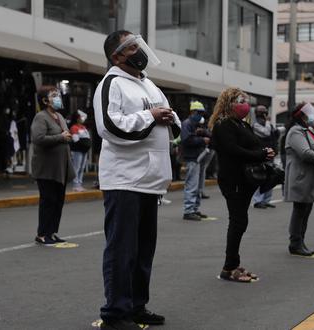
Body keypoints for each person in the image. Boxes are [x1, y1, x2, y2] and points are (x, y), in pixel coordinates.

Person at [94, 30, 181, 330]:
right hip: (124, 180)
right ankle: (115, 314)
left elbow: (170, 119)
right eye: (132, 47)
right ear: (117, 55)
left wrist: (170, 118)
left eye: (138, 45)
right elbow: (109, 126)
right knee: (122, 249)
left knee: (144, 249)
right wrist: (151, 117)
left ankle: (136, 305)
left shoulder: (149, 83)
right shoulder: (111, 83)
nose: (139, 50)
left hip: (150, 180)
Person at [209, 87, 275, 282]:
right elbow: (233, 150)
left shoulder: (242, 124)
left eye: (246, 100)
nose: (245, 105)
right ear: (229, 103)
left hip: (245, 180)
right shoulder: (223, 125)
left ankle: (234, 264)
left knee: (241, 221)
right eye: (240, 100)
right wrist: (260, 154)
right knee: (237, 222)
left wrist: (265, 150)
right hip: (233, 180)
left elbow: (254, 144)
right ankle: (229, 268)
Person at [284, 103, 314, 256]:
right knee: (300, 210)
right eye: (308, 115)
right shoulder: (295, 132)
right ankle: (295, 243)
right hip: (300, 176)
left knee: (306, 209)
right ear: (302, 116)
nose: (312, 118)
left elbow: (313, 149)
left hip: (308, 175)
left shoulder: (306, 131)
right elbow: (305, 153)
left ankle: (300, 241)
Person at [30, 85, 75, 245]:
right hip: (46, 169)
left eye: (57, 94)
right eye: (53, 95)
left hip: (60, 168)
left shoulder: (59, 117)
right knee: (48, 201)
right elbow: (38, 138)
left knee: (58, 201)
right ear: (44, 100)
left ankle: (52, 232)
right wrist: (61, 137)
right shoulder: (40, 117)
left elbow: (65, 134)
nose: (58, 98)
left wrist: (70, 137)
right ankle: (42, 234)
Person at [181, 101, 211, 221]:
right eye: (199, 113)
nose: (201, 115)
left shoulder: (198, 124)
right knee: (192, 185)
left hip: (200, 157)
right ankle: (188, 210)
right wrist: (202, 140)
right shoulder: (187, 124)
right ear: (193, 112)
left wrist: (203, 134)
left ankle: (194, 209)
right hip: (192, 158)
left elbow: (209, 135)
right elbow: (187, 140)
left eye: (202, 113)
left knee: (199, 186)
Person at [251, 105, 279, 209]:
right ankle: (258, 201)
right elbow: (266, 133)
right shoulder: (256, 125)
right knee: (261, 178)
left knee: (270, 178)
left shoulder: (268, 125)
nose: (264, 115)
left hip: (270, 155)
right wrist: (267, 122)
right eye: (262, 113)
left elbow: (274, 134)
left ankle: (266, 200)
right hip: (261, 156)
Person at [69, 110, 92, 192]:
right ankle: (75, 185)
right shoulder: (74, 127)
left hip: (84, 150)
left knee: (82, 167)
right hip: (77, 150)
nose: (82, 119)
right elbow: (75, 140)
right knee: (76, 167)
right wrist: (84, 144)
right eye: (80, 117)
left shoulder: (83, 127)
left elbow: (87, 138)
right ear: (77, 119)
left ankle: (80, 183)